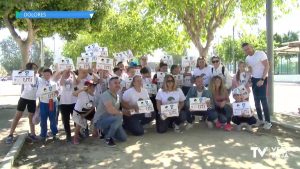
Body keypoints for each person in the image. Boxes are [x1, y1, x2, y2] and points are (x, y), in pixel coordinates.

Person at [6, 63, 39, 144]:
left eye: (36, 69)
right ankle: (10, 135)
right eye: (33, 68)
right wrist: (22, 72)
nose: (35, 70)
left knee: (31, 117)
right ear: (29, 69)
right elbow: (15, 77)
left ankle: (33, 134)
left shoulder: (38, 78)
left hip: (32, 100)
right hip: (23, 98)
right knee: (18, 116)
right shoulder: (25, 76)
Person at [242, 42, 272, 129]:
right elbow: (251, 70)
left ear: (251, 46)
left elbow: (267, 66)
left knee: (263, 101)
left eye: (248, 48)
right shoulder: (247, 58)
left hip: (262, 79)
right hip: (254, 80)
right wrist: (251, 80)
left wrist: (262, 79)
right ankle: (260, 120)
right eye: (245, 50)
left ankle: (268, 122)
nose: (247, 51)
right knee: (256, 101)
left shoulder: (260, 54)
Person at [95, 77, 127, 147]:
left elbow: (117, 109)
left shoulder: (117, 95)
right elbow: (111, 110)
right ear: (109, 85)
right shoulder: (106, 94)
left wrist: (131, 109)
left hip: (111, 120)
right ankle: (108, 137)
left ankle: (105, 132)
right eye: (115, 83)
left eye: (119, 83)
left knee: (123, 138)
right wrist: (123, 113)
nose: (118, 85)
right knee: (118, 116)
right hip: (100, 120)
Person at [36, 68, 59, 141]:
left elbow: (59, 92)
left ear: (51, 75)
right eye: (45, 75)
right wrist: (43, 92)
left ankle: (54, 133)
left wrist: (57, 93)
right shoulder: (40, 83)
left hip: (52, 102)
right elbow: (37, 94)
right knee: (43, 119)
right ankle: (43, 134)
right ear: (42, 75)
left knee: (53, 119)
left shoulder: (54, 83)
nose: (46, 76)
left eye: (48, 75)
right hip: (44, 103)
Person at [72, 80, 97, 144]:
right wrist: (82, 89)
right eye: (90, 86)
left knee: (95, 120)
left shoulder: (94, 95)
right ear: (87, 87)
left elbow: (93, 107)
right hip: (78, 112)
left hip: (87, 111)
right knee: (79, 124)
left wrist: (86, 114)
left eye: (93, 86)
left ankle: (94, 132)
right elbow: (74, 94)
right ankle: (75, 138)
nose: (92, 88)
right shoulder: (82, 93)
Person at [59, 69, 77, 142]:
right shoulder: (61, 79)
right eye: (66, 73)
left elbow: (75, 83)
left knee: (76, 119)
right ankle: (68, 135)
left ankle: (77, 133)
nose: (67, 74)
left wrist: (72, 73)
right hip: (64, 103)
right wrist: (64, 73)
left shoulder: (72, 79)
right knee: (66, 120)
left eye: (68, 72)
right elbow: (61, 83)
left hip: (73, 102)